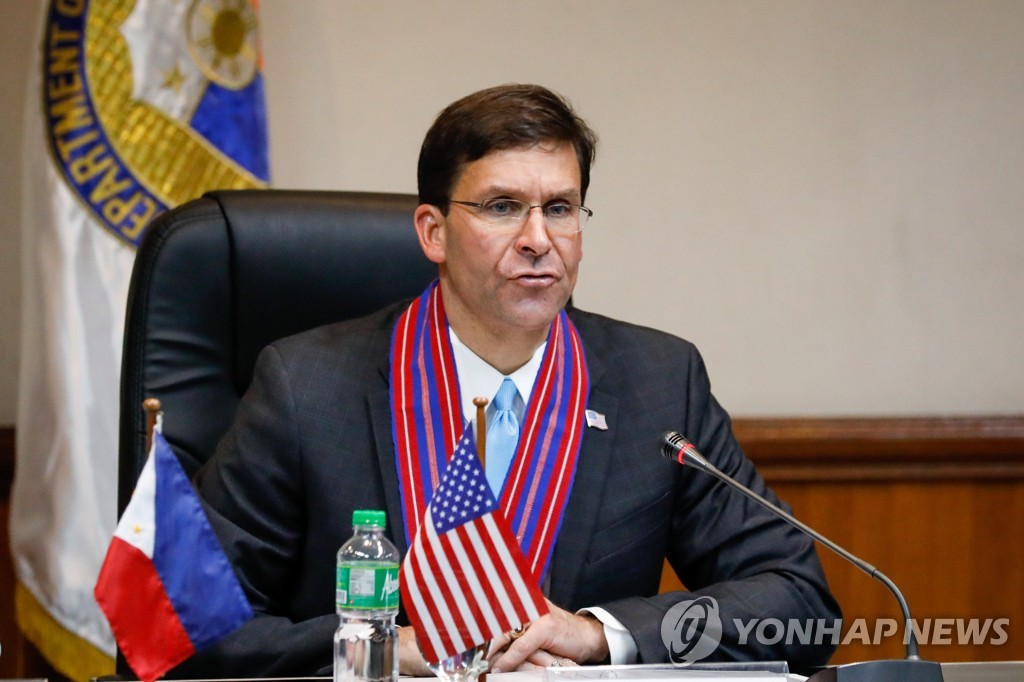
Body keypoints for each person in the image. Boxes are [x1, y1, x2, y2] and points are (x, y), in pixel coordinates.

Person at [175, 84, 840, 678]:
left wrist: (601, 635)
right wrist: (386, 649)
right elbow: (186, 627)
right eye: (502, 207)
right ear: (433, 232)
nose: (538, 239)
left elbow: (798, 601)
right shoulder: (308, 387)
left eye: (561, 208)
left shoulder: (659, 382)